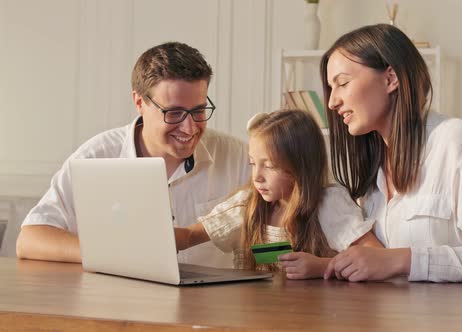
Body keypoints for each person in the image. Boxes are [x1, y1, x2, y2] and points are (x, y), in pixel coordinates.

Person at [320, 24, 462, 283]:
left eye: (343, 83)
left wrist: (401, 259)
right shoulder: (374, 171)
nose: (332, 102)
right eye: (331, 88)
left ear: (390, 79)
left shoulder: (455, 142)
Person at [16, 42, 250, 268]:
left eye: (198, 111)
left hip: (213, 306)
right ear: (139, 102)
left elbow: (268, 240)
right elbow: (30, 240)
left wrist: (281, 257)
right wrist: (118, 255)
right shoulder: (96, 157)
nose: (190, 128)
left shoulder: (240, 158)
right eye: (175, 112)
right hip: (120, 305)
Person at [174, 110, 381, 279]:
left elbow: (375, 257)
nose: (257, 177)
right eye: (253, 163)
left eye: (270, 166)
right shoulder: (249, 205)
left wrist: (322, 266)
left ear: (301, 166)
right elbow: (190, 236)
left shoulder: (329, 204)